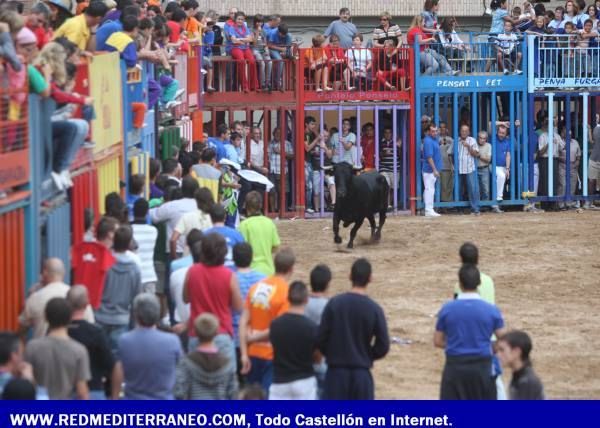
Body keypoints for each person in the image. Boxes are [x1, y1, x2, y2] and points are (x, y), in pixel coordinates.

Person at [317, 258, 389, 400]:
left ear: (350, 276)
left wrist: (332, 353)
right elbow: (383, 345)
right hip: (361, 373)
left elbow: (320, 338)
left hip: (336, 372)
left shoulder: (334, 304)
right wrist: (366, 355)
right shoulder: (374, 309)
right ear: (370, 278)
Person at [434, 264, 506, 400]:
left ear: (460, 284)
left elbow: (438, 341)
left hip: (455, 367)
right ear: (479, 284)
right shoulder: (491, 310)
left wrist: (457, 344)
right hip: (482, 367)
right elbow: (504, 340)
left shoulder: (447, 309)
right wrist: (489, 346)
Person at [239, 249, 295, 394]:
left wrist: (244, 353)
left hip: (252, 352)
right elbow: (279, 327)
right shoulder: (286, 292)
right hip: (271, 354)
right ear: (291, 269)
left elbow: (243, 321)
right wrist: (254, 338)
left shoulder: (257, 287)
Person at [183, 233, 243, 365]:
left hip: (197, 332)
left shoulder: (192, 271)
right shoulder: (229, 275)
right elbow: (238, 307)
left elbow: (185, 298)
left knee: (196, 378)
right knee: (226, 378)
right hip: (221, 332)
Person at [118, 293, 182, 399]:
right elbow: (181, 373)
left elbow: (119, 371)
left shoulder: (125, 340)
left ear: (135, 314)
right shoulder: (172, 341)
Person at [25, 298, 90, 399]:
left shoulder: (32, 346)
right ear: (70, 318)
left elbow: (26, 379)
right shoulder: (79, 350)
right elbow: (82, 392)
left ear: (46, 317)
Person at [66, 285, 121, 400]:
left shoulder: (59, 331)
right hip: (93, 391)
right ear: (86, 305)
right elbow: (114, 366)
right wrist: (115, 397)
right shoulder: (96, 333)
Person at [94, 225, 143, 354]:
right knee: (117, 358)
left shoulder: (104, 263)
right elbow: (136, 298)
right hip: (121, 318)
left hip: (100, 316)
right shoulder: (134, 269)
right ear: (128, 244)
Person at [269, 281, 319, 400]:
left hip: (280, 381)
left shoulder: (275, 324)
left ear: (288, 298)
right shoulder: (311, 327)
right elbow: (318, 357)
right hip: (304, 380)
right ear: (306, 300)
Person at [19, 258, 91, 339]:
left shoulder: (35, 298)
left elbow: (22, 330)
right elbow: (90, 324)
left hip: (41, 349)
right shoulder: (78, 297)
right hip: (74, 349)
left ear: (44, 273)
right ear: (63, 273)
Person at [174, 313, 238, 399]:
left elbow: (180, 392)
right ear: (216, 332)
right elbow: (233, 394)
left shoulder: (186, 362)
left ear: (196, 332)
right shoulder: (227, 364)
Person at [71, 216, 118, 309]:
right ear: (110, 234)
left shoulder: (80, 249)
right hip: (97, 307)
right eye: (118, 231)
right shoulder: (108, 256)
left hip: (77, 303)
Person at [150, 176, 199, 257]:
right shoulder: (202, 207)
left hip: (175, 252)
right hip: (196, 253)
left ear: (181, 190)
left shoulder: (172, 206)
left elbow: (152, 215)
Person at [238, 191, 281, 276]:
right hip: (268, 270)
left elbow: (242, 249)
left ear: (246, 206)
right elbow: (276, 247)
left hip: (251, 271)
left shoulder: (244, 225)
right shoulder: (269, 222)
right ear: (261, 205)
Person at [497, 330, 545, 400]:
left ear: (516, 352)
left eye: (502, 350)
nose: (498, 355)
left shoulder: (526, 382)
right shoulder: (520, 377)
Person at [169, 187, 213, 259]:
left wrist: (174, 258)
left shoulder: (187, 216)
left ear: (196, 200)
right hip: (207, 260)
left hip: (188, 259)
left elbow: (173, 239)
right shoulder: (213, 218)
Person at [448, 125, 481, 215]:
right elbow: (449, 154)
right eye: (462, 131)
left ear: (469, 132)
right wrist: (452, 165)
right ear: (460, 131)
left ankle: (475, 208)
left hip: (469, 168)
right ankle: (459, 208)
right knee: (458, 188)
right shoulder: (456, 141)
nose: (464, 132)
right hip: (458, 168)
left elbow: (476, 154)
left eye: (466, 131)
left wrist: (468, 146)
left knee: (473, 189)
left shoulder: (472, 140)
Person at [204, 205, 245, 269]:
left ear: (210, 217)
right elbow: (243, 255)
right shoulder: (236, 234)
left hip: (211, 272)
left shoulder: (204, 235)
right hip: (232, 273)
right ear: (225, 216)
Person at [225, 11, 257, 92]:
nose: (240, 21)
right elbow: (234, 41)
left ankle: (253, 86)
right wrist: (244, 40)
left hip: (245, 48)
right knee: (241, 61)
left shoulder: (245, 28)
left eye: (242, 19)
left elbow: (250, 39)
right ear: (235, 19)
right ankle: (244, 86)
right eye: (238, 19)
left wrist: (240, 39)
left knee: (252, 61)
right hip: (235, 48)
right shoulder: (231, 28)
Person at [537, 116, 565, 211]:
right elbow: (540, 152)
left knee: (554, 181)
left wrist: (558, 143)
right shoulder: (542, 136)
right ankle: (545, 204)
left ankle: (553, 203)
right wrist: (549, 144)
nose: (551, 126)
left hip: (555, 159)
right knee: (545, 181)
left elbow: (563, 148)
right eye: (549, 124)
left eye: (552, 125)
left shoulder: (557, 136)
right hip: (545, 160)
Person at [131, 199, 158, 294]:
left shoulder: (129, 230)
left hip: (133, 276)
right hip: (149, 275)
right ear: (147, 212)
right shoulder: (153, 231)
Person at [268, 127, 294, 212]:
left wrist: (280, 152)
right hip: (272, 170)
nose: (278, 135)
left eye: (280, 134)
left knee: (283, 192)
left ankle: (282, 210)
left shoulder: (287, 144)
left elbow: (292, 156)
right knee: (272, 191)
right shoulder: (269, 143)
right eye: (276, 133)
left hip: (282, 170)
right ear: (273, 134)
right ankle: (272, 211)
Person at [0, 332, 35, 397]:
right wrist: (28, 383)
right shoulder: (18, 388)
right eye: (22, 353)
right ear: (14, 356)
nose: (23, 358)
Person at [557, 127, 581, 210]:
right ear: (562, 133)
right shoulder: (560, 142)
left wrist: (577, 163)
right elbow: (556, 154)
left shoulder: (575, 142)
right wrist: (562, 159)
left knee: (572, 185)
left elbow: (578, 155)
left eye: (570, 133)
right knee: (562, 184)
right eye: (566, 132)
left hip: (573, 166)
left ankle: (569, 204)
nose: (568, 134)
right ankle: (560, 204)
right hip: (562, 165)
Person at [422, 123, 442, 217]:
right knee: (429, 189)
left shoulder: (434, 140)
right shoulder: (428, 141)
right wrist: (434, 170)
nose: (435, 132)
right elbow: (429, 157)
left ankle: (429, 208)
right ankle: (428, 209)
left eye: (436, 130)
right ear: (428, 132)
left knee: (430, 189)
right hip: (429, 170)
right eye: (433, 131)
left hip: (432, 169)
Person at [491, 123, 512, 213]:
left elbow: (508, 155)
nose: (501, 135)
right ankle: (498, 199)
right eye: (500, 132)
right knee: (501, 176)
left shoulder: (507, 141)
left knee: (503, 176)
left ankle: (496, 204)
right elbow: (490, 124)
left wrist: (507, 168)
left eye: (503, 133)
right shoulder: (492, 137)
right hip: (493, 166)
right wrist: (503, 123)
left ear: (506, 134)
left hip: (503, 167)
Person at [584, 119, 600, 209]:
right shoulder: (597, 129)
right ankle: (589, 201)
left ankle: (589, 201)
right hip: (594, 159)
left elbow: (592, 141)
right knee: (591, 181)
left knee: (591, 181)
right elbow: (592, 141)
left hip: (594, 158)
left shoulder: (595, 129)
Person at [438, 122, 454, 203]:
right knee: (439, 186)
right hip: (437, 166)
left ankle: (446, 204)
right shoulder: (435, 139)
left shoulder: (450, 139)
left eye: (444, 127)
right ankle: (440, 204)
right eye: (440, 127)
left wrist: (452, 165)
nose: (442, 129)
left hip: (447, 165)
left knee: (447, 186)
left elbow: (452, 153)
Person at [476, 131, 492, 202]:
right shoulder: (474, 144)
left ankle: (485, 205)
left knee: (486, 189)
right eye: (480, 138)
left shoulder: (488, 145)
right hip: (475, 169)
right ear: (477, 138)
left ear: (486, 139)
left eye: (484, 138)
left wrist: (479, 156)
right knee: (476, 189)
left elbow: (488, 160)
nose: (482, 140)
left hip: (484, 168)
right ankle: (477, 205)